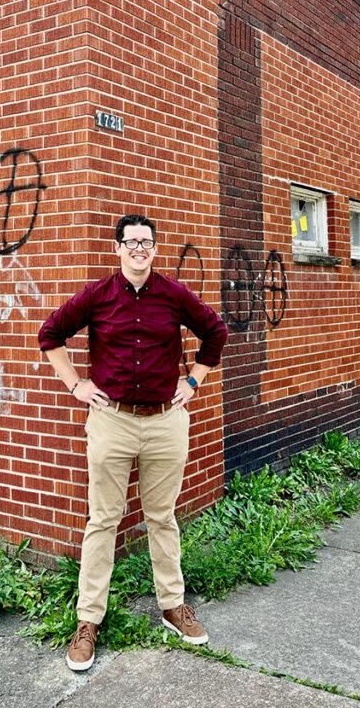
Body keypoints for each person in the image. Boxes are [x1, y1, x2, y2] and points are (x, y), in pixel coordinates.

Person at [38, 213, 228, 671]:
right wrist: (76, 384)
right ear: (117, 248)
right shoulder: (97, 295)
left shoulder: (174, 294)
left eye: (146, 242)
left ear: (155, 249)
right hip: (113, 421)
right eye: (131, 242)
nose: (139, 249)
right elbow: (50, 334)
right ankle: (88, 621)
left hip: (165, 422)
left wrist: (194, 381)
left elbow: (216, 332)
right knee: (103, 519)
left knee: (162, 517)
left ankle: (173, 606)